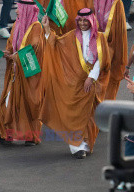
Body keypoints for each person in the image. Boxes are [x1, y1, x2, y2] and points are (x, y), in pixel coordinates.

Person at [40, 9, 110, 159]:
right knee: (75, 114)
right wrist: (46, 27)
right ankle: (77, 146)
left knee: (90, 114)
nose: (83, 24)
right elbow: (55, 43)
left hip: (92, 81)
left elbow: (102, 60)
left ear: (91, 21)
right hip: (74, 82)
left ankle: (85, 142)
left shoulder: (100, 38)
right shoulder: (72, 36)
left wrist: (91, 77)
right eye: (80, 21)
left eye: (86, 21)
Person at [0, 0, 45, 145]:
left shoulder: (36, 27)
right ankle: (5, 135)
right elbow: (12, 44)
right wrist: (8, 52)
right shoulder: (17, 25)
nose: (17, 11)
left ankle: (30, 137)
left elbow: (35, 48)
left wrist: (17, 57)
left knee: (28, 105)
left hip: (29, 74)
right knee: (8, 102)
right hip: (15, 72)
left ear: (26, 10)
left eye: (19, 9)